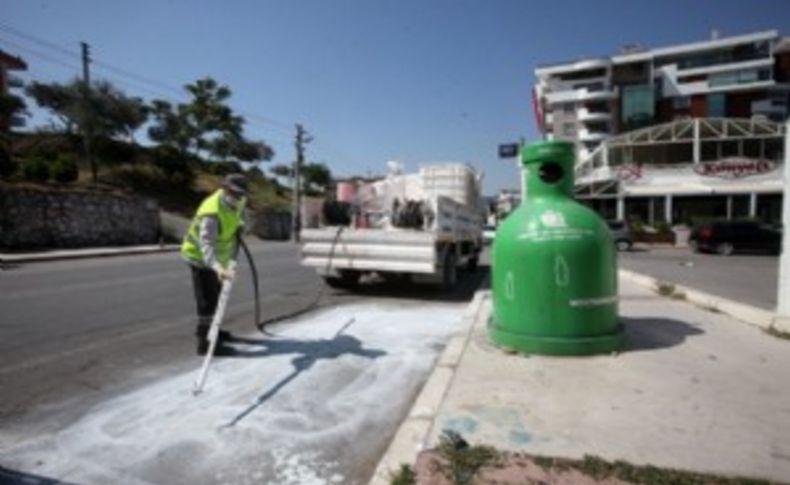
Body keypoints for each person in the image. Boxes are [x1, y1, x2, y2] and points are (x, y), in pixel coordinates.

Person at [181, 173, 248, 355]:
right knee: (207, 301)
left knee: (218, 296)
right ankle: (204, 343)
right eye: (234, 194)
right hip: (200, 257)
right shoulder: (211, 211)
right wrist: (218, 269)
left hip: (221, 258)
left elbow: (240, 215)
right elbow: (207, 246)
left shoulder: (239, 200)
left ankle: (215, 331)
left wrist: (241, 224)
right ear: (225, 189)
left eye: (241, 195)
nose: (238, 198)